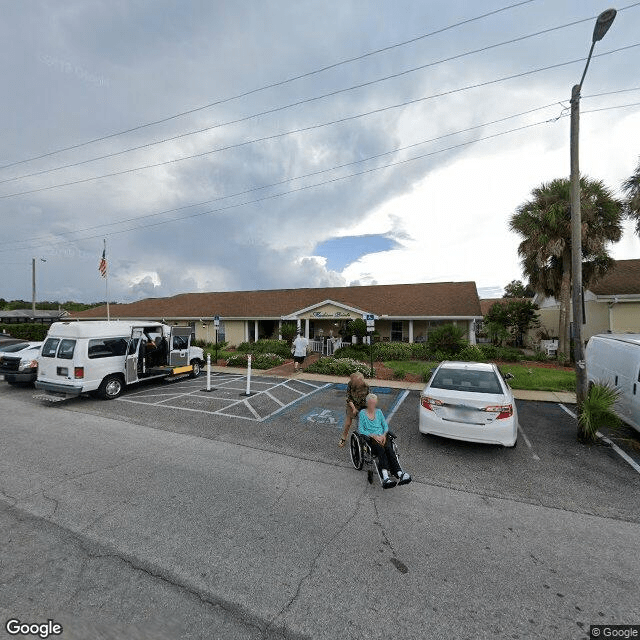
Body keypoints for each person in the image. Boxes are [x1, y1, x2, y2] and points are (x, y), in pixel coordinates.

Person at [358, 393, 411, 489]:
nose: (372, 405)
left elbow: (385, 425)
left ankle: (399, 473)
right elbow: (361, 430)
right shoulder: (362, 413)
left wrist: (383, 435)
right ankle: (385, 477)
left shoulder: (379, 412)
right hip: (371, 438)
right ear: (367, 403)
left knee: (390, 449)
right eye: (370, 403)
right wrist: (373, 436)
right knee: (381, 450)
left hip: (382, 436)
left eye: (374, 403)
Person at [339, 371, 369, 448]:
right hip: (351, 404)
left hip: (362, 405)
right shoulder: (350, 384)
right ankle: (343, 438)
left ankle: (364, 441)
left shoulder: (366, 386)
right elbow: (349, 399)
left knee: (361, 424)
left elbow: (367, 398)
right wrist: (354, 409)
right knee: (348, 423)